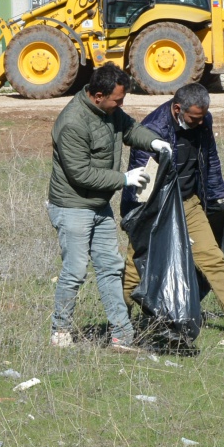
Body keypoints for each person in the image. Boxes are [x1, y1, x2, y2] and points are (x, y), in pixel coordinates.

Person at [120, 83, 224, 339]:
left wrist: (218, 193)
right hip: (152, 207)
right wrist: (150, 219)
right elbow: (142, 184)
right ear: (177, 109)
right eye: (194, 118)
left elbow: (209, 157)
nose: (199, 123)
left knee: (213, 259)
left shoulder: (202, 120)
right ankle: (120, 321)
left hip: (188, 201)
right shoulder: (152, 129)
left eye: (202, 117)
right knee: (135, 266)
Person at [46, 64, 173, 351]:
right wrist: (123, 179)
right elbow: (80, 173)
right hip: (72, 206)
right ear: (98, 95)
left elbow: (130, 129)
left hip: (99, 205)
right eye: (117, 100)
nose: (121, 104)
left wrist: (155, 142)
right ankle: (60, 330)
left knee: (110, 268)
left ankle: (122, 335)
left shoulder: (110, 112)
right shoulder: (73, 123)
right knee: (76, 270)